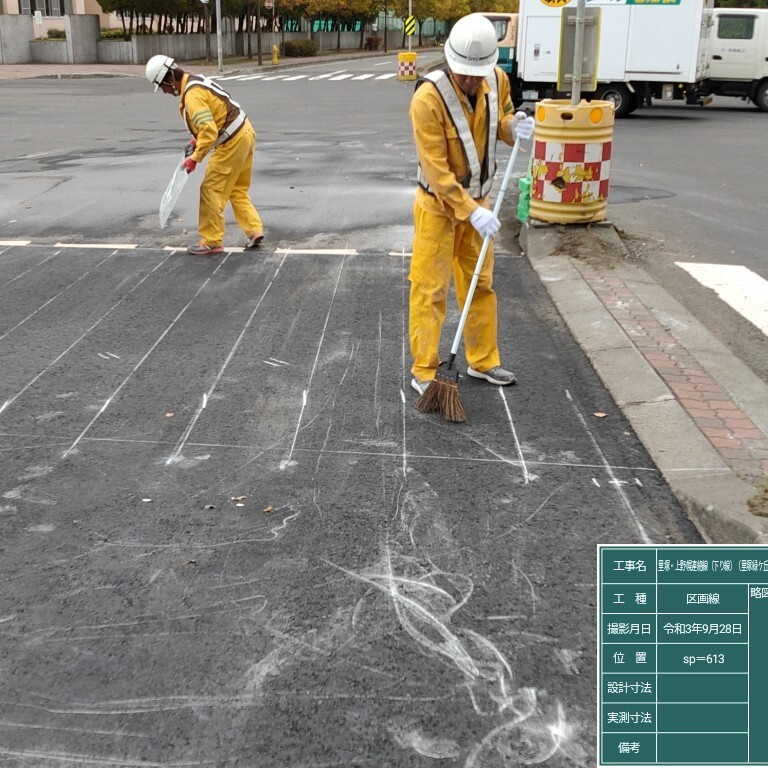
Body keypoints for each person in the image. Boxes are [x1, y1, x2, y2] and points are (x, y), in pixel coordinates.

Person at [408, 14, 535, 396]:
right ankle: (426, 370)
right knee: (430, 288)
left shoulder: (496, 81)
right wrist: (471, 211)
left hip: (479, 204)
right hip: (439, 209)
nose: (471, 80)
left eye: (477, 73)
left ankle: (483, 360)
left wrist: (515, 128)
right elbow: (438, 172)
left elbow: (501, 120)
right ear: (450, 61)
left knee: (480, 283)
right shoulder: (427, 99)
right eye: (464, 73)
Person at [145, 55, 265, 256]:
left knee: (211, 190)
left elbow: (208, 131)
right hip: (244, 133)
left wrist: (195, 159)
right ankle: (254, 230)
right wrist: (195, 141)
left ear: (168, 79)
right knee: (236, 189)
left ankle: (211, 241)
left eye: (162, 87)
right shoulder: (195, 81)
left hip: (231, 142)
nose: (165, 92)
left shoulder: (192, 96)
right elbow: (214, 118)